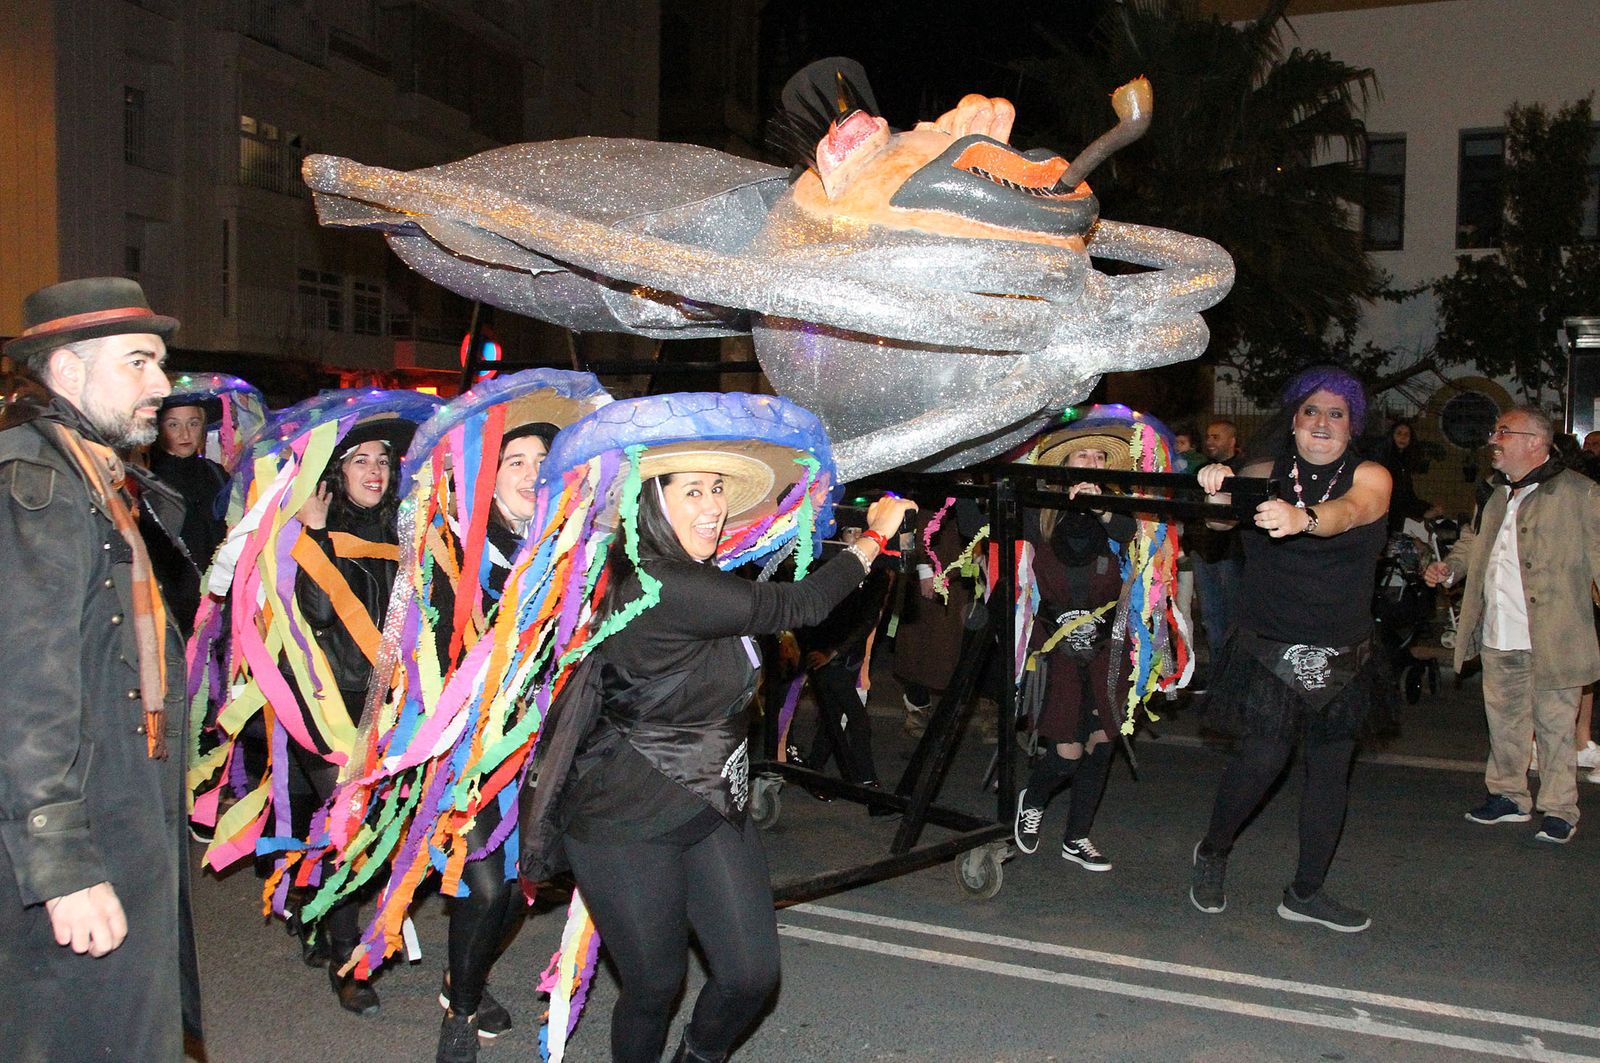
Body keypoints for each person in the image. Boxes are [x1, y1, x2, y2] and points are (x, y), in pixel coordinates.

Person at [523, 410, 917, 1063]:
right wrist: (873, 539)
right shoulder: (661, 583)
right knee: (653, 986)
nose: (712, 506)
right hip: (624, 818)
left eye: (717, 489)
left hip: (710, 797)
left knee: (750, 974)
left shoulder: (687, 570)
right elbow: (797, 606)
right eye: (692, 491)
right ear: (651, 504)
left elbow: (768, 571)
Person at [0, 277, 200, 1059]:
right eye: (140, 362)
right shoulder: (38, 488)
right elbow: (24, 691)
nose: (162, 385)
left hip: (118, 812)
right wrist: (63, 864)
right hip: (79, 839)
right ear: (68, 371)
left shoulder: (91, 474)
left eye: (160, 364)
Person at [1189, 367, 1392, 933]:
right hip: (1270, 644)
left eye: (1337, 414)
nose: (1323, 423)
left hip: (1343, 650)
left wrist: (1304, 517)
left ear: (1352, 426)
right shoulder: (1262, 472)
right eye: (1312, 412)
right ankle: (1213, 851)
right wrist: (1214, 486)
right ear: (1294, 420)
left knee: (1330, 773)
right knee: (1263, 758)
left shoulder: (1371, 475)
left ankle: (1305, 892)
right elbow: (1218, 521)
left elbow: (1352, 512)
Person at [433, 419, 561, 1061]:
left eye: (544, 456)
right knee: (485, 886)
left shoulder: (571, 548)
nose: (533, 469)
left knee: (520, 888)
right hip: (467, 745)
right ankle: (459, 1013)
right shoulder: (454, 550)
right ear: (488, 475)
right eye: (516, 459)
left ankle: (466, 975)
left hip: (546, 745)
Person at [1424, 405, 1600, 843]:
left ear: (1535, 442)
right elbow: (1472, 541)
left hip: (1555, 634)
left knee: (1557, 727)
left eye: (1503, 432)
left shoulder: (1581, 493)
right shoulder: (1494, 493)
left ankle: (1559, 808)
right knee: (1503, 721)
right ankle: (1508, 796)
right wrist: (1450, 569)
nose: (1493, 441)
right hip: (1499, 631)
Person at [293, 415, 414, 1014]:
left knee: (374, 830)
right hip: (328, 708)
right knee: (350, 834)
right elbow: (315, 612)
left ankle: (319, 917)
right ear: (336, 472)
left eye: (382, 460)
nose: (373, 470)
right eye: (360, 459)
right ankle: (348, 960)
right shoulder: (316, 527)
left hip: (391, 707)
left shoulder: (405, 528)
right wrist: (314, 535)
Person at [1012, 422, 1137, 871]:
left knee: (1102, 742)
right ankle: (1035, 798)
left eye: (1100, 458)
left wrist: (1101, 510)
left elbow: (1131, 533)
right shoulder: (1040, 512)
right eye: (1083, 456)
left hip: (1108, 643)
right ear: (1063, 464)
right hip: (1056, 644)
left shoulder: (1114, 515)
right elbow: (982, 526)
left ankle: (1077, 836)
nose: (1093, 464)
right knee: (1066, 752)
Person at [141, 395, 229, 635]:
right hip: (171, 603)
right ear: (159, 429)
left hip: (217, 597)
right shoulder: (148, 480)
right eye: (173, 424)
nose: (185, 434)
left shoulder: (215, 473)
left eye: (193, 423)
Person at [1187, 418, 1244, 675]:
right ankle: (1218, 675)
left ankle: (1235, 675)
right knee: (1211, 619)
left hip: (1231, 554)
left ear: (1232, 442)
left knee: (1234, 618)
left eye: (1217, 437)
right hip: (1203, 552)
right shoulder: (1200, 470)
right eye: (1208, 436)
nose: (1210, 442)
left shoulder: (1244, 471)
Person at [1379, 418, 1440, 535]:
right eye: (1399, 433)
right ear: (1391, 436)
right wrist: (1423, 511)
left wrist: (1427, 508)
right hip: (1383, 519)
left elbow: (1407, 494)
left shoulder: (1403, 463)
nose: (1403, 437)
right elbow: (1398, 497)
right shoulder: (1386, 461)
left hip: (1393, 519)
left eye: (1407, 434)